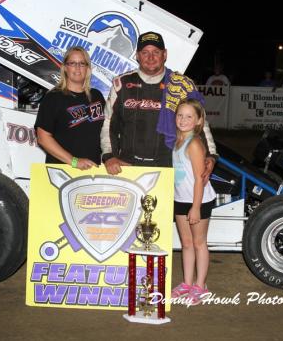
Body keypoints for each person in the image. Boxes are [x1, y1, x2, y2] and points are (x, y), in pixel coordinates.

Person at [100, 31, 217, 177]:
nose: (150, 57)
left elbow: (201, 123)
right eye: (145, 52)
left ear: (165, 54)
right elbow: (108, 123)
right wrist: (109, 156)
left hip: (169, 166)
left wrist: (210, 155)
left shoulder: (181, 85)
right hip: (127, 166)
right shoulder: (121, 84)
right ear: (137, 55)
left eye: (156, 52)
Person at [171, 98, 216, 305]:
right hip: (181, 199)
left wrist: (196, 207)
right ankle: (187, 283)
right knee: (186, 243)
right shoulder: (178, 141)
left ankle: (200, 286)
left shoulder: (195, 143)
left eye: (189, 116)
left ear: (199, 121)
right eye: (180, 115)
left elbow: (199, 178)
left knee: (199, 243)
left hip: (199, 201)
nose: (183, 119)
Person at [35, 46, 105, 169]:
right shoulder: (53, 97)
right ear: (65, 68)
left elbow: (106, 132)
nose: (77, 68)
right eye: (72, 63)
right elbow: (43, 137)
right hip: (63, 169)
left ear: (88, 68)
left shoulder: (96, 96)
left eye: (82, 63)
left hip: (93, 169)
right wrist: (74, 161)